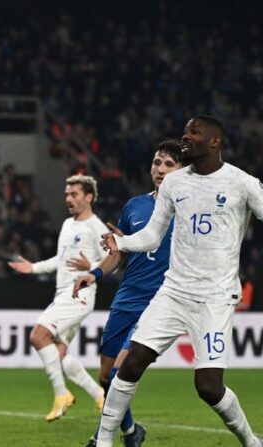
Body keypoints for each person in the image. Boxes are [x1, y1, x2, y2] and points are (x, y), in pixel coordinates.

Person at [90, 116, 263, 447]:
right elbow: (153, 236)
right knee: (132, 363)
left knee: (208, 387)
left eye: (194, 132)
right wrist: (121, 243)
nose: (186, 136)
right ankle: (105, 441)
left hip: (215, 298)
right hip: (173, 292)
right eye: (185, 131)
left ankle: (251, 441)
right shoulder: (174, 183)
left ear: (215, 142)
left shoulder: (243, 184)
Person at [74, 139, 184, 446]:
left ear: (182, 170)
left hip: (160, 301)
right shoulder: (135, 205)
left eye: (168, 164)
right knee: (106, 376)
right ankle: (131, 432)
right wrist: (94, 273)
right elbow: (118, 252)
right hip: (127, 297)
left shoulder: (189, 209)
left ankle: (101, 439)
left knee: (123, 367)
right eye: (156, 163)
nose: (160, 169)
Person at [7, 175, 106, 421]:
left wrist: (91, 265)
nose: (68, 199)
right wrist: (33, 268)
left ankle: (61, 395)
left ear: (89, 197)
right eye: (66, 194)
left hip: (79, 294)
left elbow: (114, 261)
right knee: (58, 355)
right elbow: (60, 260)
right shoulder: (67, 225)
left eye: (74, 194)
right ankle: (99, 395)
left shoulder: (97, 228)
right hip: (63, 293)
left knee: (38, 335)